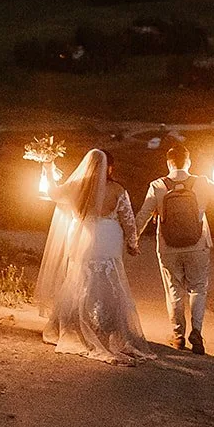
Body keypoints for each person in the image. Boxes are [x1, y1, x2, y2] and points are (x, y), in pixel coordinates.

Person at [37, 149, 152, 364]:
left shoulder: (75, 187)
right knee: (109, 282)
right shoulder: (118, 190)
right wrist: (133, 243)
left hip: (80, 239)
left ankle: (75, 323)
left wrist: (48, 167)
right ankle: (105, 325)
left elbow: (52, 193)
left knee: (78, 279)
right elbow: (128, 220)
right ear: (110, 167)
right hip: (108, 239)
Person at [133, 145, 214, 355]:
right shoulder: (202, 182)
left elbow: (144, 215)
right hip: (198, 245)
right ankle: (196, 332)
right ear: (189, 162)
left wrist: (132, 240)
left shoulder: (158, 185)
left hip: (168, 246)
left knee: (174, 290)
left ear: (168, 163)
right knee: (198, 288)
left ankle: (178, 336)